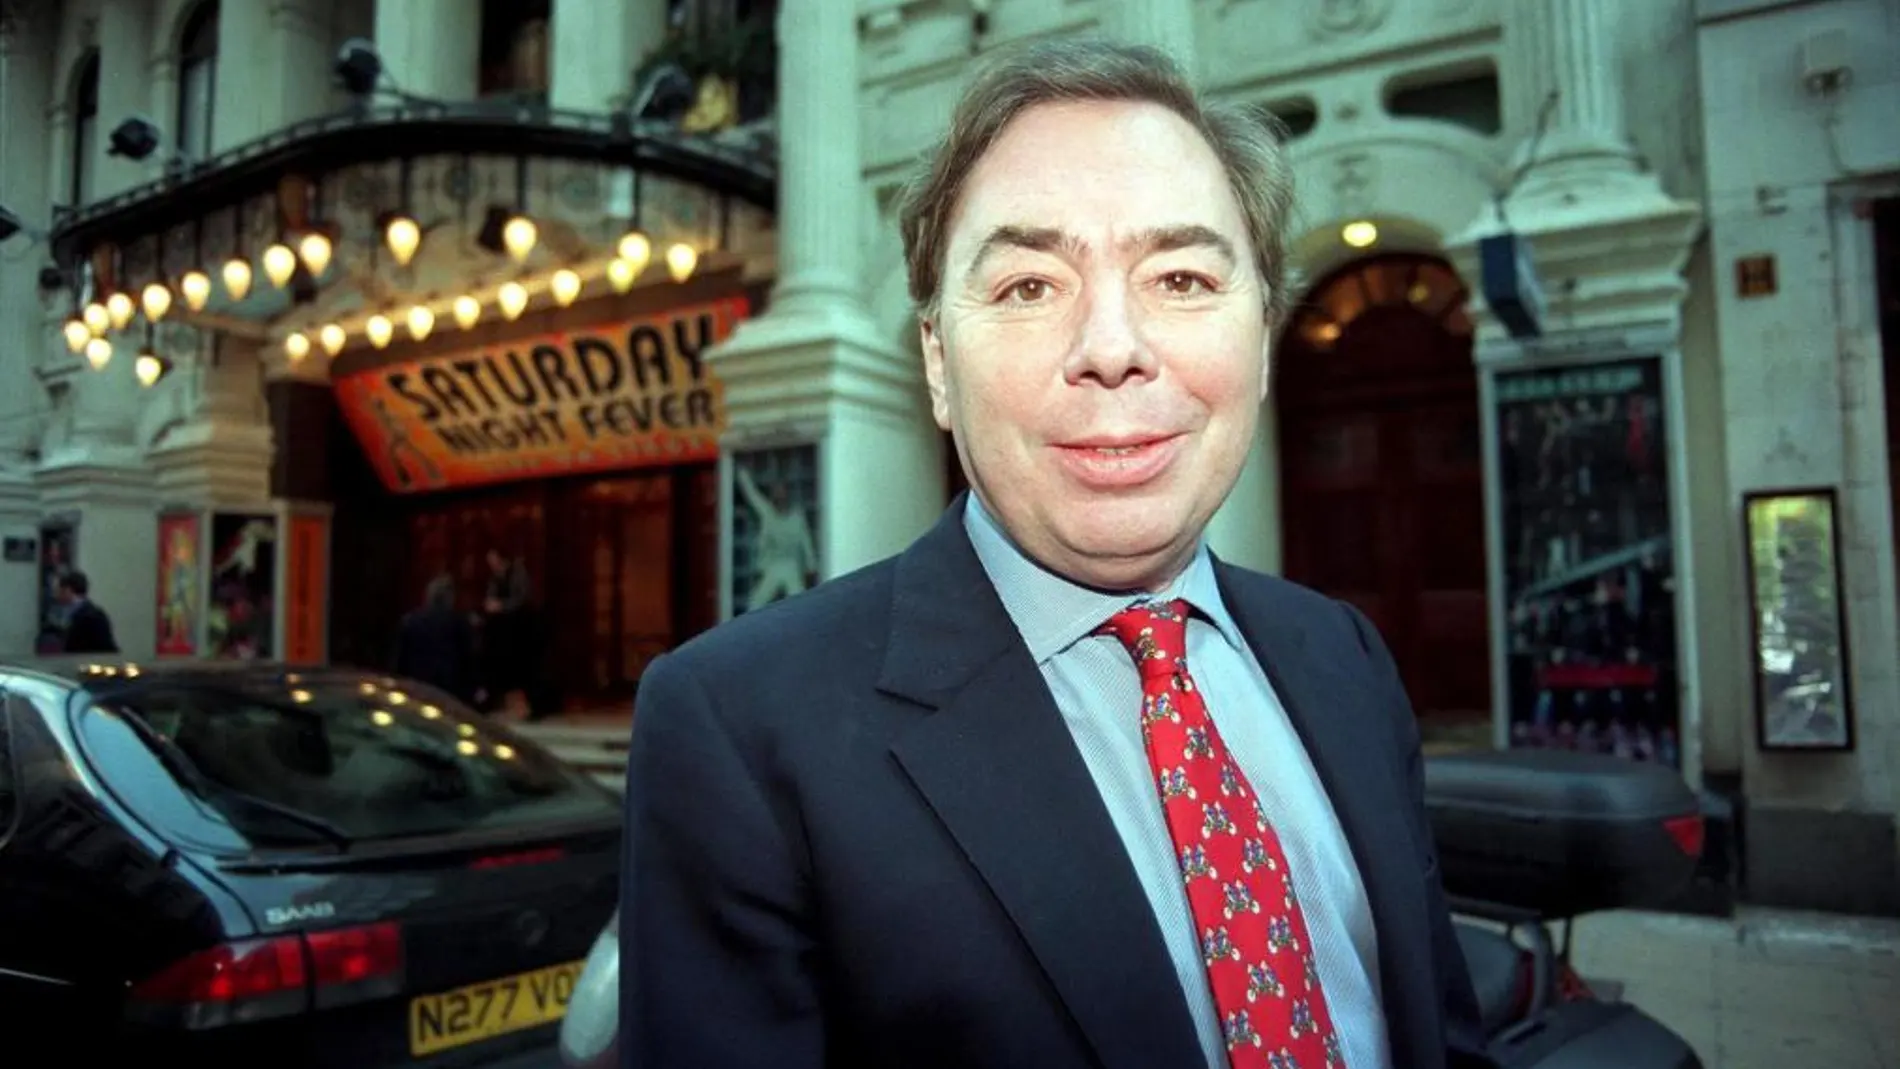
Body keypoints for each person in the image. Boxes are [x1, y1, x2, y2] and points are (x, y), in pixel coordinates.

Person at [619, 38, 1488, 1069]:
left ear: (1259, 340)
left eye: (1180, 276)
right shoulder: (740, 731)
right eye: (1030, 287)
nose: (1112, 346)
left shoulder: (1341, 656)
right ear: (939, 365)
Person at [393, 574, 477, 705]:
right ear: (451, 598)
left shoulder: (410, 620)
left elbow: (399, 661)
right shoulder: (460, 624)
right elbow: (469, 662)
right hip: (449, 692)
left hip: (416, 687)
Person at [56, 571, 118, 655]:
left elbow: (105, 649)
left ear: (68, 590)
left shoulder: (93, 617)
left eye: (60, 590)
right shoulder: (87, 613)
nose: (57, 594)